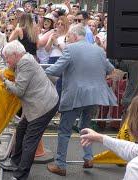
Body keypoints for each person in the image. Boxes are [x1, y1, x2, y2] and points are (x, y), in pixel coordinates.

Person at [45, 24, 117, 176]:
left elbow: (56, 70)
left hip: (75, 96)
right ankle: (88, 158)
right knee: (86, 128)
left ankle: (60, 165)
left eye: (69, 37)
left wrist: (38, 70)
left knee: (64, 132)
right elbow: (111, 69)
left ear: (75, 35)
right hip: (94, 96)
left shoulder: (70, 49)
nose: (68, 39)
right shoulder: (98, 50)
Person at [0, 40, 59, 180]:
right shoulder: (23, 60)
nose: (6, 60)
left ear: (15, 54)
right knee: (20, 131)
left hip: (43, 106)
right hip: (37, 104)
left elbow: (19, 90)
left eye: (7, 57)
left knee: (30, 141)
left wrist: (4, 80)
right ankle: (15, 162)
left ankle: (20, 175)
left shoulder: (25, 62)